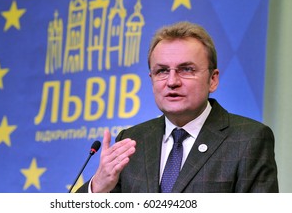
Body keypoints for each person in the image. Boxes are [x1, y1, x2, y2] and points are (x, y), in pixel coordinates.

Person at [76, 21, 279, 193]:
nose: (172, 81)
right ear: (151, 79)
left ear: (213, 80)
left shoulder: (248, 139)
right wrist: (97, 187)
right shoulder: (132, 142)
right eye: (162, 71)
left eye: (186, 69)